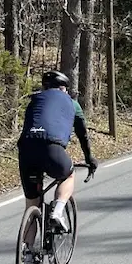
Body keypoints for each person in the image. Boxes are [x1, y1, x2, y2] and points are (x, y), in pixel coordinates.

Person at [18, 70, 97, 233]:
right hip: (51, 147)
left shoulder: (35, 100)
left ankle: (28, 254)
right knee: (68, 175)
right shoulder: (71, 103)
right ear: (64, 89)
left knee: (32, 204)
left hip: (26, 149)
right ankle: (58, 211)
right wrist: (89, 158)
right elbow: (83, 134)